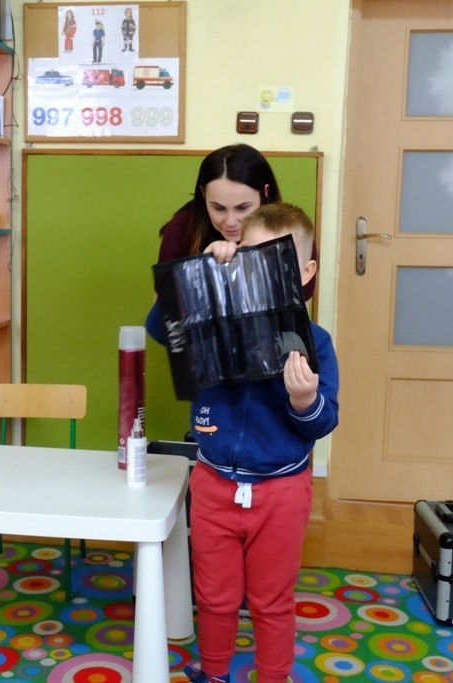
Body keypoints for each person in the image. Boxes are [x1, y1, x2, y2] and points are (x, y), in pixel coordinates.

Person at [146, 203, 340, 683]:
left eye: (277, 261)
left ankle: (273, 675)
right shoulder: (213, 318)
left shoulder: (316, 342)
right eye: (249, 256)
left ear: (306, 272)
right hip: (214, 483)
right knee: (214, 595)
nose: (261, 272)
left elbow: (323, 422)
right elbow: (158, 326)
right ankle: (213, 672)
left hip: (281, 492)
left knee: (271, 599)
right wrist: (202, 275)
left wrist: (304, 399)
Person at [156, 144, 317, 301]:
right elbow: (163, 312)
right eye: (219, 208)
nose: (230, 222)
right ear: (203, 194)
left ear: (265, 193)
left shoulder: (291, 232)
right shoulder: (181, 230)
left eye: (242, 208)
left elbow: (299, 310)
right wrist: (201, 270)